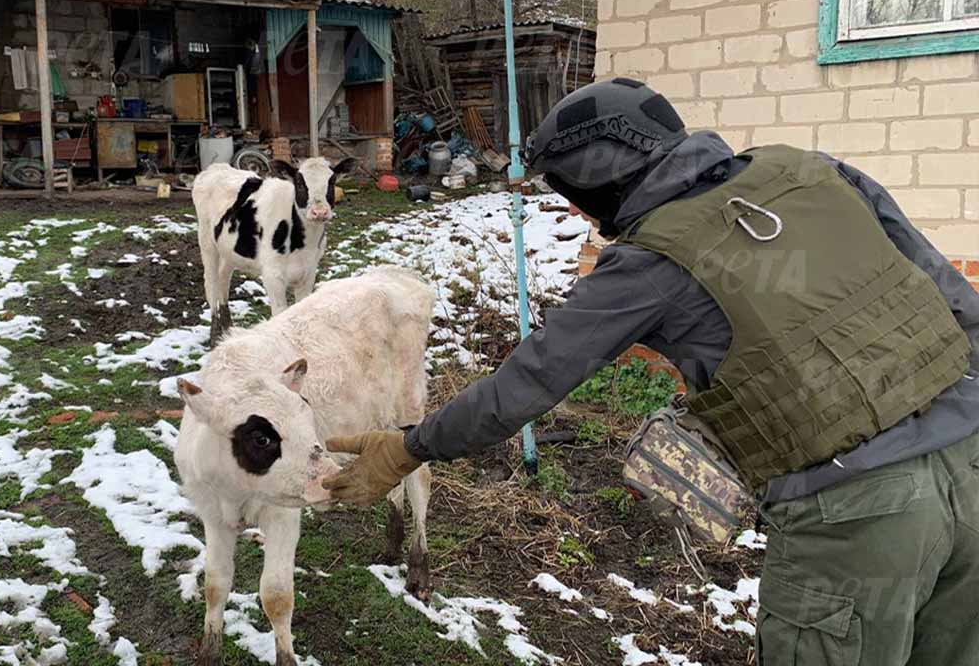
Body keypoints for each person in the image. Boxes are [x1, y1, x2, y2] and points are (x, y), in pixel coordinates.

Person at [322, 78, 979, 666]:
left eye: (571, 192)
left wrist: (410, 447)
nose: (578, 211)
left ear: (596, 176)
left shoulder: (649, 263)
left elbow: (521, 387)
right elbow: (951, 295)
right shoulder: (809, 168)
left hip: (859, 516)